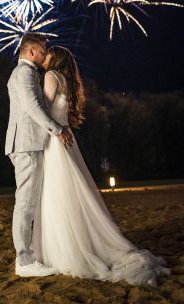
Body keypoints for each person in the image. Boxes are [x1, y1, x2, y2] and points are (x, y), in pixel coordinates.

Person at [32, 45, 171, 286]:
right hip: (66, 140)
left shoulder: (51, 77)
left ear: (57, 60)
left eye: (49, 55)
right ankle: (76, 242)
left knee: (55, 195)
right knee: (69, 194)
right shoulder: (68, 80)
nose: (45, 58)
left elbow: (42, 110)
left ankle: (64, 249)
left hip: (54, 141)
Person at [5, 34, 73, 277]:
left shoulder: (29, 73)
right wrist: (57, 130)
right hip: (27, 144)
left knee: (29, 202)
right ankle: (24, 261)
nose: (46, 54)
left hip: (30, 143)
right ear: (32, 51)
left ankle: (29, 256)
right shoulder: (23, 73)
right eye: (43, 50)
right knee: (25, 203)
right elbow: (33, 107)